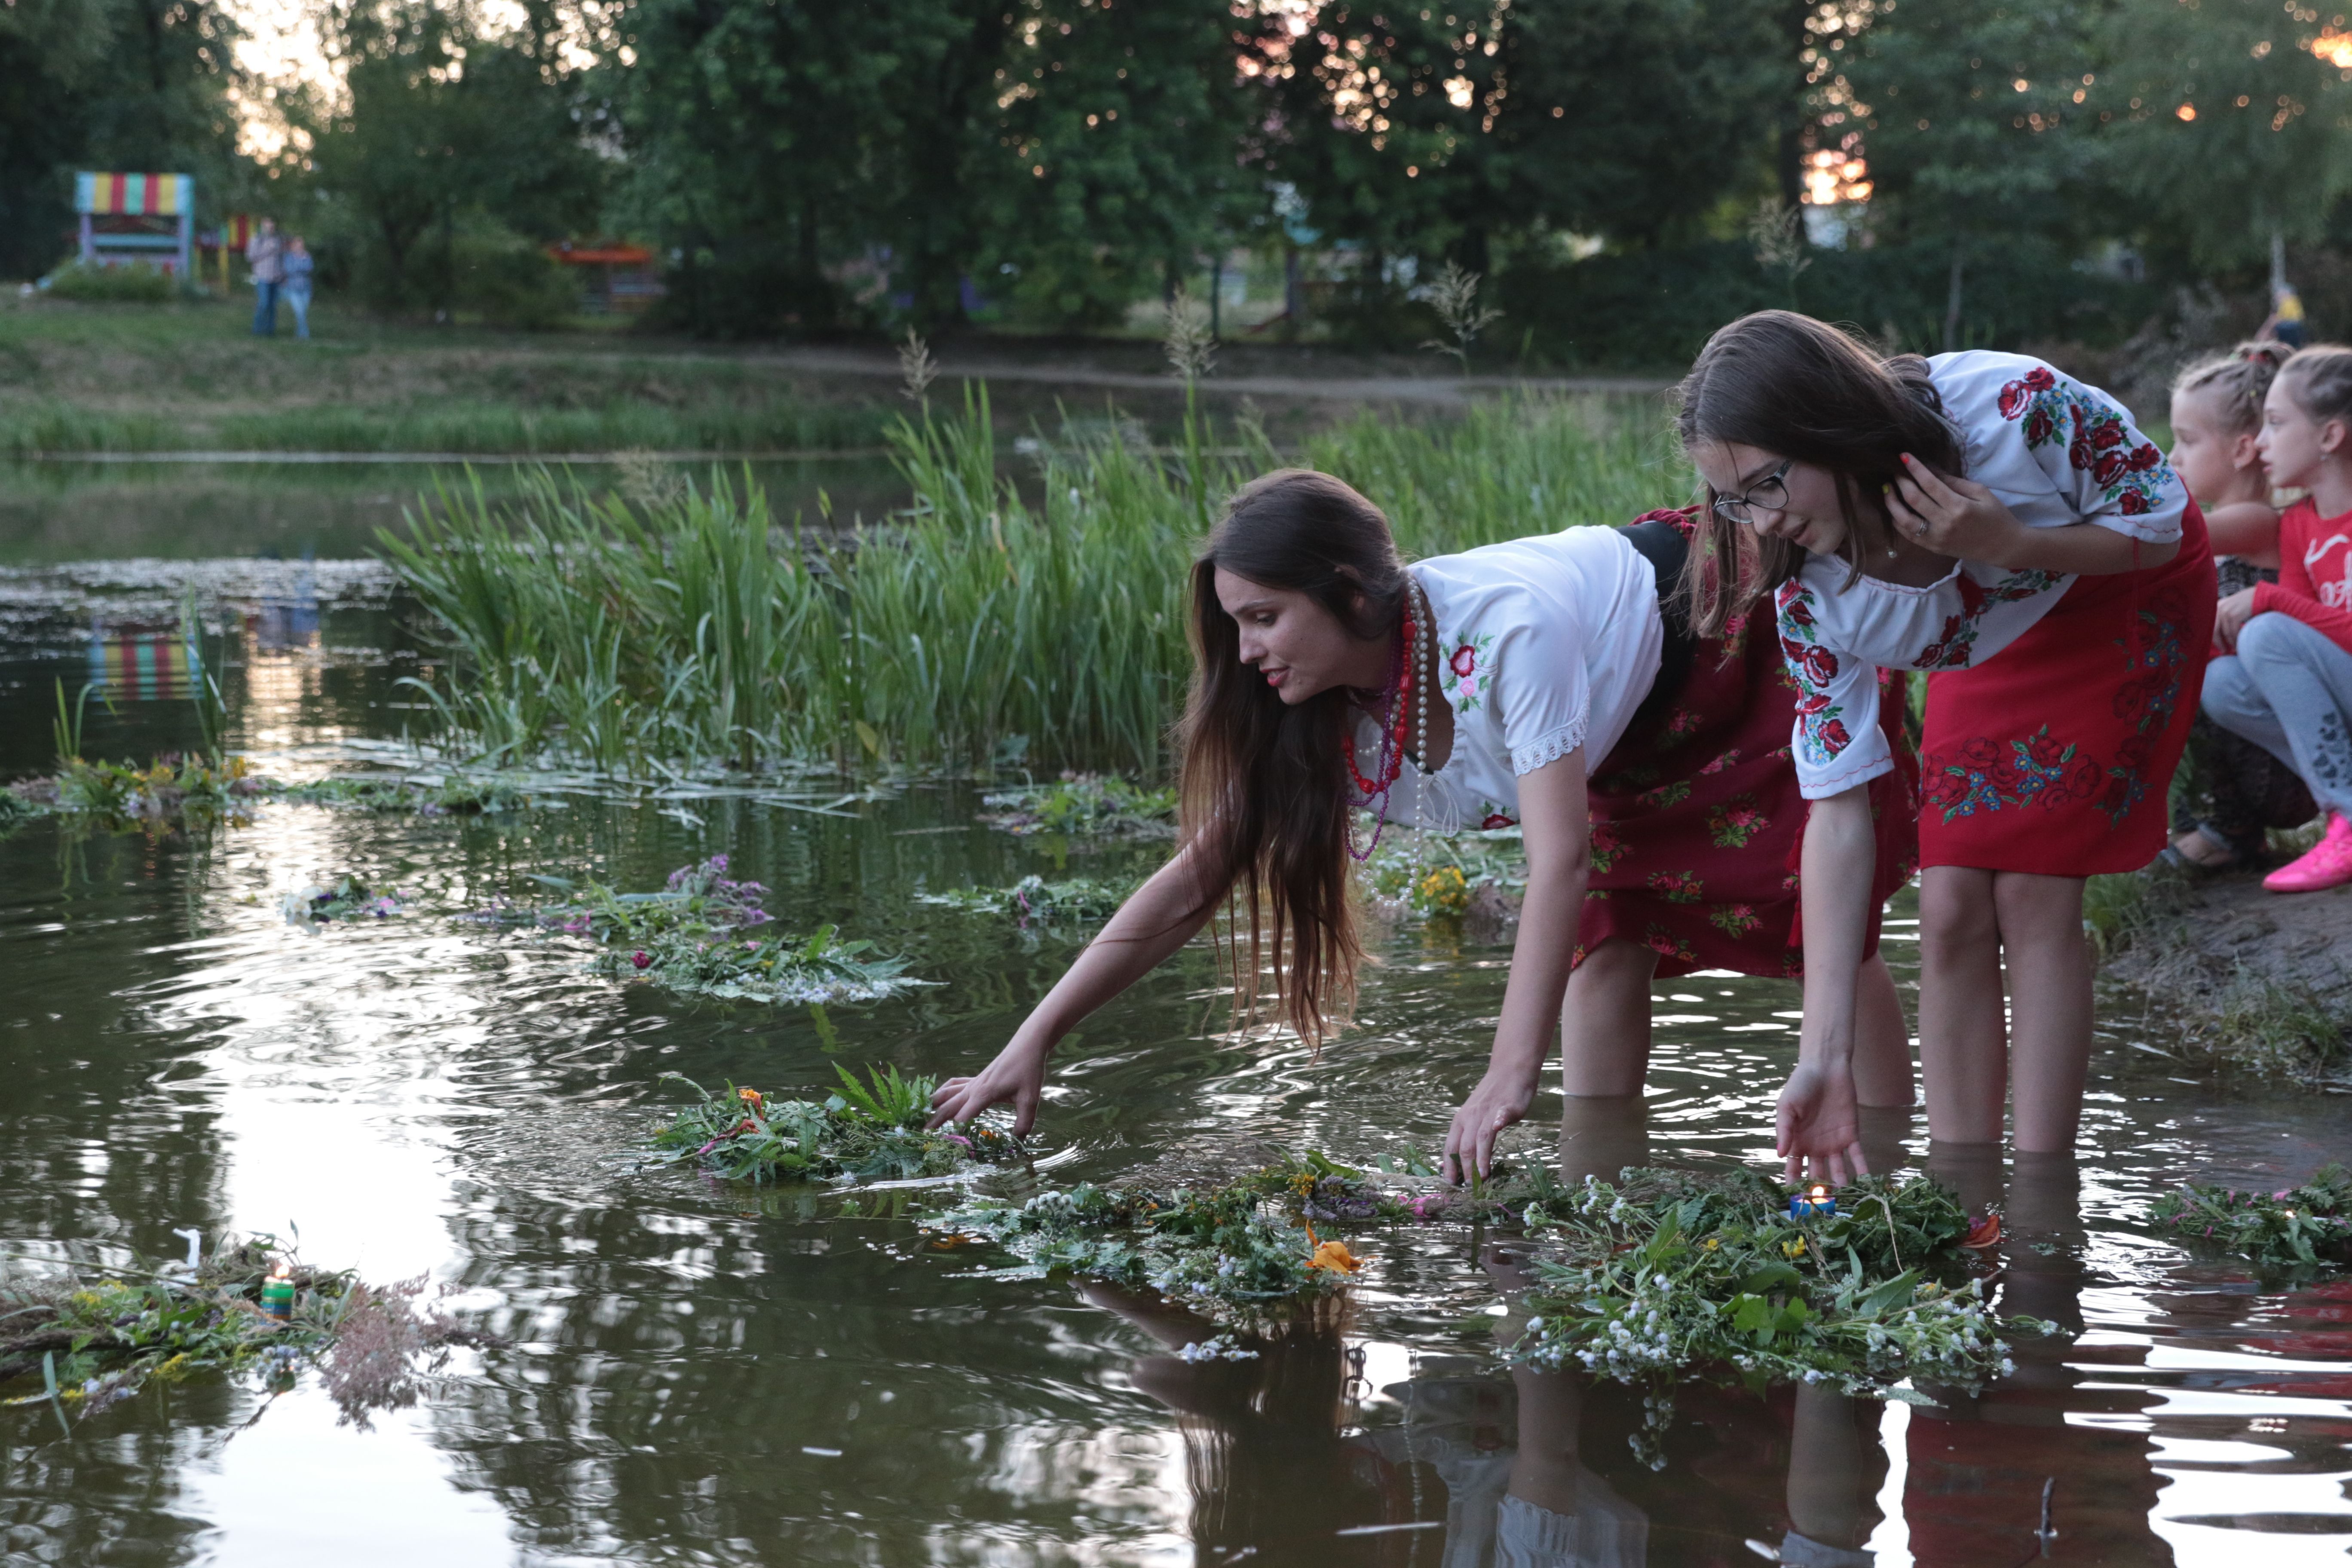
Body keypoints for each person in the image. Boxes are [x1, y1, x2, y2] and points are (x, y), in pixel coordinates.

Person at [928, 469, 1919, 1183]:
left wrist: (1502, 1078)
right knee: (1613, 941)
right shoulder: (1316, 720)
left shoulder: (1502, 635)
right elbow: (1191, 882)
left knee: (1816, 922)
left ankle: (1889, 1175)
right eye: (1235, 624)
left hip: (1720, 640)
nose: (1244, 653)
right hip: (1617, 733)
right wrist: (1032, 1041)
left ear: (1352, 595)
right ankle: (1603, 1186)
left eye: (1264, 618)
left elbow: (1557, 863)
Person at [1676, 311, 2212, 1176]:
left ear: (1827, 425)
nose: (1762, 521)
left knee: (2035, 894)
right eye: (1737, 499)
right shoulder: (1810, 596)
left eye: (1770, 483)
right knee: (1951, 902)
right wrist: (1825, 1055)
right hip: (1995, 632)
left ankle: (2043, 1197)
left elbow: (2161, 517)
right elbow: (1839, 815)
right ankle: (1963, 1194)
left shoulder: (2014, 410)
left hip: (2117, 585)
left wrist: (2012, 542)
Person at [2202, 344, 2352, 892]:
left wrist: (2267, 603)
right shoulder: (2298, 526)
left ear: (2330, 437)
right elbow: (2303, 633)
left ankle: (2349, 819)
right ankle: (2345, 810)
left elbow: (2287, 619)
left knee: (2266, 630)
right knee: (2221, 684)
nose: (2261, 442)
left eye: (2276, 423)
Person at [2161, 342, 2314, 871]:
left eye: (2186, 441)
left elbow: (2166, 536)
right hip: (2252, 740)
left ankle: (2229, 831)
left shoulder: (2255, 521)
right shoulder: (2235, 522)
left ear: (2244, 449)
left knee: (2184, 669)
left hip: (2281, 762)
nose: (2171, 459)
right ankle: (2207, 825)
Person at [246, 218, 283, 337]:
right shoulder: (257, 239)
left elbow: (280, 258)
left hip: (276, 278)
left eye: (272, 227)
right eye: (268, 227)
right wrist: (267, 249)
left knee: (273, 306)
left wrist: (282, 274)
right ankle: (257, 330)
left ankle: (270, 331)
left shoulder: (277, 240)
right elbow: (250, 257)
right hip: (263, 277)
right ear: (263, 227)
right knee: (264, 303)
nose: (271, 229)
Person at [282, 236, 315, 341]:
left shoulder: (307, 256)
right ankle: (305, 335)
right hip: (293, 288)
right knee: (299, 311)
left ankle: (299, 334)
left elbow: (310, 268)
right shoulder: (288, 257)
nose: (299, 247)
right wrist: (302, 267)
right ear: (293, 246)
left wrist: (298, 268)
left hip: (306, 288)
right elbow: (289, 270)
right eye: (297, 245)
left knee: (303, 312)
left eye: (301, 245)